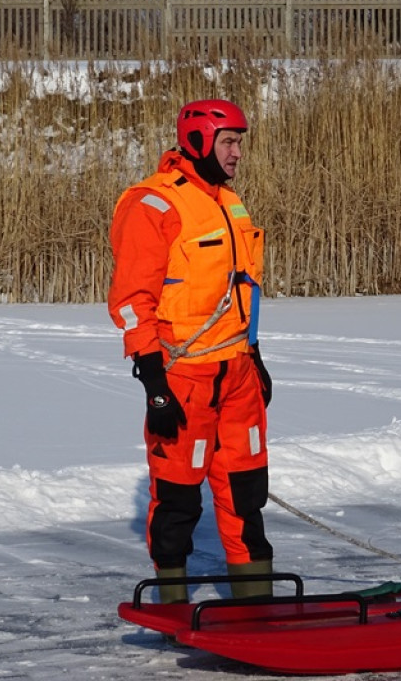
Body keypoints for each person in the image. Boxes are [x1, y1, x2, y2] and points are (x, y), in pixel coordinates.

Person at [107, 99, 274, 604]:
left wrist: (256, 355)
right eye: (229, 142)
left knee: (246, 493)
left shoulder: (229, 203)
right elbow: (133, 301)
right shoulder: (153, 204)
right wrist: (154, 383)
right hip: (183, 378)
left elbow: (242, 288)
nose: (238, 152)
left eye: (240, 142)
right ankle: (174, 603)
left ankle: (256, 602)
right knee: (178, 498)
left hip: (237, 373)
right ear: (199, 141)